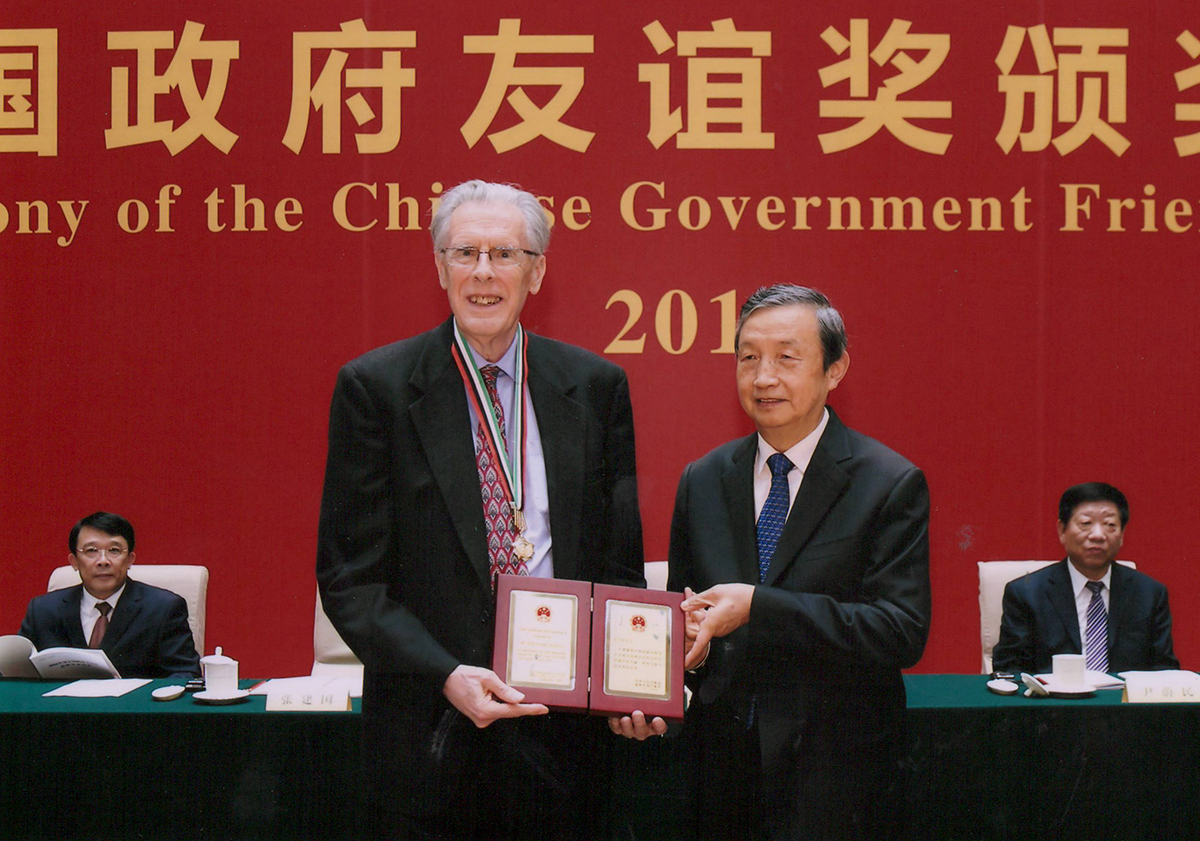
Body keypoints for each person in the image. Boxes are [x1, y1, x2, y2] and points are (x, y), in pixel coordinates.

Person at [316, 180, 645, 839]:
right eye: (465, 253)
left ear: (537, 271)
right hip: (430, 731)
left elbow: (618, 563)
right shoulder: (375, 389)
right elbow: (351, 579)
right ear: (441, 268)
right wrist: (444, 674)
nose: (484, 272)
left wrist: (627, 685)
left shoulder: (596, 387)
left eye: (505, 254)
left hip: (563, 739)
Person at [666, 284, 930, 841]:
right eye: (748, 358)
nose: (764, 377)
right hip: (722, 772)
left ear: (836, 369)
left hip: (836, 773)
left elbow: (899, 631)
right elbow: (681, 611)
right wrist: (679, 655)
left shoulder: (888, 482)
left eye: (786, 357)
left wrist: (759, 607)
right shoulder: (703, 478)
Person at [992, 482, 1179, 675]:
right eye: (1086, 523)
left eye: (1110, 525)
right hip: (1052, 694)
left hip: (1123, 695)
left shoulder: (1150, 594)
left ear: (1122, 535)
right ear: (1062, 531)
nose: (1098, 535)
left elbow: (1165, 671)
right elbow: (1009, 670)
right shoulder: (1026, 593)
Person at [18, 512, 200, 679]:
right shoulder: (42, 610)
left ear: (130, 560)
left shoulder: (163, 608)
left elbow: (185, 674)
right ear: (74, 562)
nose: (103, 561)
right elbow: (18, 671)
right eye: (91, 551)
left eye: (114, 550)